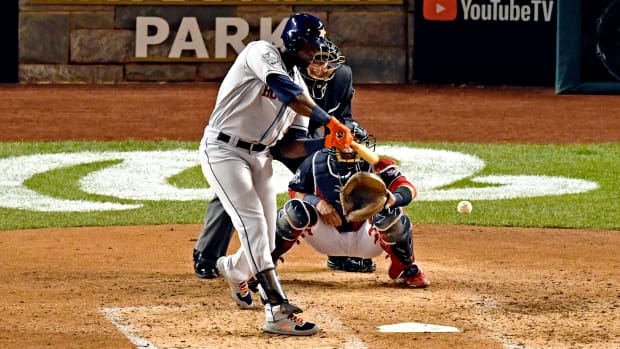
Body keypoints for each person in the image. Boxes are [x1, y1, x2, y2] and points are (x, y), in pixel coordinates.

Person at [198, 13, 353, 336]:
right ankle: (277, 310)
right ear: (295, 42)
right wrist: (331, 121)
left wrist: (327, 143)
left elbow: (289, 147)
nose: (316, 54)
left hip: (260, 157)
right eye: (311, 47)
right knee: (252, 223)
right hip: (224, 151)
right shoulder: (261, 52)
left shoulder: (300, 86)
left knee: (266, 240)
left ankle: (232, 267)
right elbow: (285, 91)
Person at [193, 38, 375, 279]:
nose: (321, 66)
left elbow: (345, 116)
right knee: (237, 188)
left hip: (304, 139)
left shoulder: (340, 78)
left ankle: (340, 250)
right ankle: (208, 254)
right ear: (301, 55)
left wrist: (345, 137)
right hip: (265, 136)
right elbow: (285, 135)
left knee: (333, 177)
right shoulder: (283, 73)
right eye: (314, 57)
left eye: (325, 60)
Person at [269, 120, 431, 288]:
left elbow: (408, 188)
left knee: (390, 213)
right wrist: (316, 202)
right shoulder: (315, 161)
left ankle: (406, 268)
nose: (352, 148)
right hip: (326, 236)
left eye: (357, 143)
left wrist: (395, 198)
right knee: (294, 210)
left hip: (366, 238)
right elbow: (295, 191)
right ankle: (266, 264)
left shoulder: (377, 165)